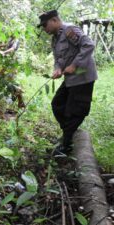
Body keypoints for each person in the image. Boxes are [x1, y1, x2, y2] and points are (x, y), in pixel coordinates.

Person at [38, 10, 98, 155]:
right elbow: (58, 59)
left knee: (74, 111)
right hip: (71, 79)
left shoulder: (69, 30)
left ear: (54, 20)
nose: (44, 29)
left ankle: (66, 146)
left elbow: (88, 45)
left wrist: (75, 65)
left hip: (82, 77)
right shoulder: (55, 39)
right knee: (57, 104)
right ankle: (68, 134)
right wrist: (57, 69)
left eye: (45, 25)